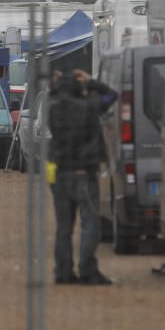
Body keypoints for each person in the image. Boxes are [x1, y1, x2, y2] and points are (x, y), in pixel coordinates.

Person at [48, 68, 118, 285]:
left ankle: (63, 272)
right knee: (90, 224)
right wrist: (91, 82)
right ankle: (88, 270)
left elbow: (54, 92)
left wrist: (60, 82)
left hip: (60, 174)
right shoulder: (89, 107)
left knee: (64, 228)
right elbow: (111, 95)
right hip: (85, 174)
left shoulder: (53, 108)